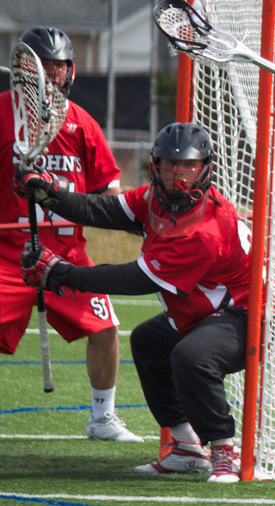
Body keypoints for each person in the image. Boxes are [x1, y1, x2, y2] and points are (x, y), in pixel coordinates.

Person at [16, 121, 252, 482]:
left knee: (191, 356)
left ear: (205, 168)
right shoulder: (152, 198)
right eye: (169, 164)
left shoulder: (205, 229)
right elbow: (104, 209)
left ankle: (224, 449)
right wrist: (53, 194)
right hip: (209, 308)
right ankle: (187, 448)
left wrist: (61, 274)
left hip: (249, 312)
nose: (178, 174)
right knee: (148, 342)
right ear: (155, 165)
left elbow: (135, 278)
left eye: (188, 165)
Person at [0, 26, 139, 442]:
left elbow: (108, 196)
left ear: (71, 70)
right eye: (44, 65)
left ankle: (102, 417)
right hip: (6, 256)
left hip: (66, 257)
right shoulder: (2, 112)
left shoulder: (83, 124)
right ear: (25, 68)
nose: (52, 74)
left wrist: (62, 195)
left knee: (105, 328)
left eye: (59, 66)